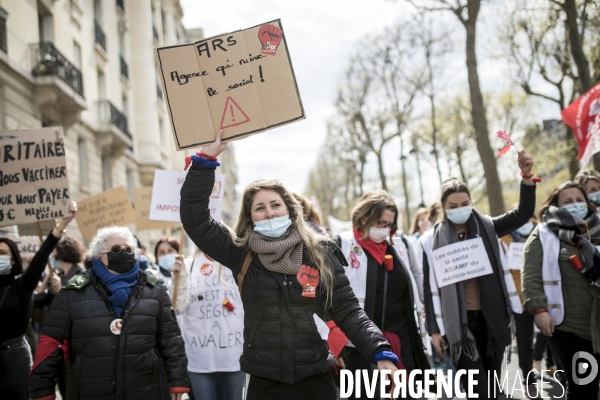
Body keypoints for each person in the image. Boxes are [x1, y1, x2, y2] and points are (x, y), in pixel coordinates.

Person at [180, 130, 398, 400]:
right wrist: (205, 160)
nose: (269, 212)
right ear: (250, 218)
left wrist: (379, 350)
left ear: (290, 210)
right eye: (260, 208)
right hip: (265, 382)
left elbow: (347, 309)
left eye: (275, 205)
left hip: (316, 377)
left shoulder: (320, 253)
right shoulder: (240, 253)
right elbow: (196, 221)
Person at [422, 150, 536, 399]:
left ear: (471, 202)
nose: (460, 209)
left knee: (494, 388)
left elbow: (523, 214)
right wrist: (434, 329)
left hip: (491, 318)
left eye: (465, 204)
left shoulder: (488, 227)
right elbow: (429, 288)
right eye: (453, 206)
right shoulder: (430, 241)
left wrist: (526, 177)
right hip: (459, 326)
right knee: (478, 390)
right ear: (443, 207)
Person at [29, 226, 190, 400]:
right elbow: (50, 343)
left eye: (129, 249)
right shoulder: (72, 293)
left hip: (143, 390)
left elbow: (171, 339)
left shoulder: (154, 290)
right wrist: (42, 390)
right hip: (89, 392)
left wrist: (178, 380)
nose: (123, 253)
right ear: (98, 255)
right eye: (115, 249)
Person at [334, 191, 430, 399]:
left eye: (390, 224)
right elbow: (330, 298)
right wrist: (335, 343)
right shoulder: (340, 244)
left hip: (402, 336)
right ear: (363, 217)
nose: (385, 229)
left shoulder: (399, 244)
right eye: (380, 222)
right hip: (359, 342)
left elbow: (415, 278)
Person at [522, 181, 600, 398]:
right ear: (555, 205)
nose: (575, 204)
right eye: (568, 201)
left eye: (579, 200)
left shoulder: (597, 227)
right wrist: (539, 310)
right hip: (570, 328)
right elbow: (531, 276)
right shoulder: (544, 234)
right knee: (584, 387)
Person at [0, 201, 77, 400]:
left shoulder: (22, 285)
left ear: (14, 259)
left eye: (2, 253)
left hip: (13, 356)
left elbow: (41, 257)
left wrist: (61, 226)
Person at [177, 249, 245, 400]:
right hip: (200, 356)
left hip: (233, 355)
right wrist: (179, 278)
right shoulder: (188, 266)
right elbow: (178, 307)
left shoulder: (236, 262)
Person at [499, 212, 538, 396]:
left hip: (542, 297)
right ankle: (529, 381)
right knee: (524, 343)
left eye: (529, 218)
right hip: (519, 300)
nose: (526, 222)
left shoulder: (541, 234)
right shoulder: (504, 240)